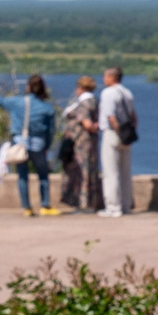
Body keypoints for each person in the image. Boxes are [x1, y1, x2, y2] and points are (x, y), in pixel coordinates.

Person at [0, 75, 57, 215]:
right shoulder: (47, 108)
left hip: (19, 144)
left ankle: (27, 208)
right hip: (38, 144)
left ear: (28, 87)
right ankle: (45, 205)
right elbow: (50, 131)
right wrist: (47, 146)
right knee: (43, 176)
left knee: (22, 176)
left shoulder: (17, 102)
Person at [59, 76, 102, 213]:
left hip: (81, 142)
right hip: (89, 141)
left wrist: (93, 128)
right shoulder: (94, 101)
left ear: (81, 88)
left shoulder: (84, 103)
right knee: (90, 170)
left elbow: (87, 123)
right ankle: (91, 202)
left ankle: (84, 204)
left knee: (82, 171)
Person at [97, 67, 136, 218]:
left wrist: (118, 132)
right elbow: (134, 117)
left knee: (110, 172)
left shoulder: (108, 93)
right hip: (127, 135)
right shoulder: (127, 93)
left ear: (112, 77)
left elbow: (111, 116)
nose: (103, 79)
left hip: (113, 133)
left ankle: (113, 207)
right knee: (125, 172)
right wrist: (128, 135)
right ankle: (126, 204)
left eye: (105, 76)